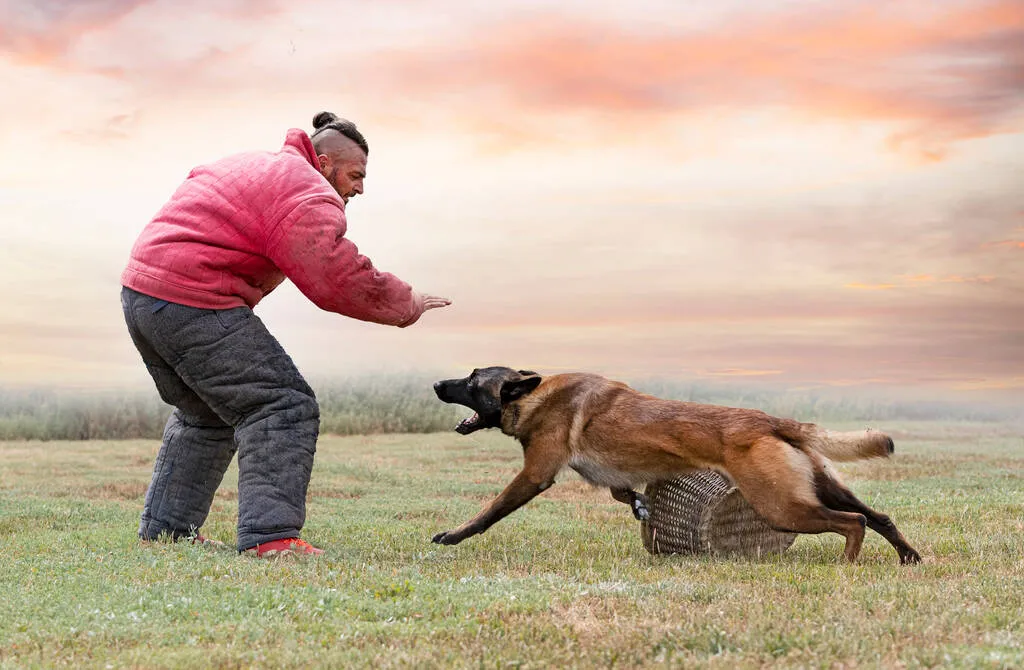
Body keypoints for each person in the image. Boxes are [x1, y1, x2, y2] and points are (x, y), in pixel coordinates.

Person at [120, 111, 451, 557]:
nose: (359, 188)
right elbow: (333, 276)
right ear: (324, 161)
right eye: (355, 175)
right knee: (282, 404)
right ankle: (272, 539)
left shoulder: (255, 165)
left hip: (142, 296)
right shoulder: (306, 188)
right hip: (192, 298)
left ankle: (166, 533)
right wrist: (406, 302)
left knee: (207, 413)